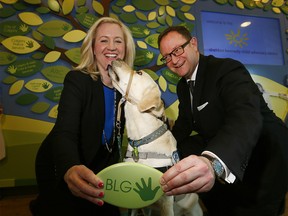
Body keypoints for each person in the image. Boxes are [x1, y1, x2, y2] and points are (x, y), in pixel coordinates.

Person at [158, 26, 288, 216]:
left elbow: (244, 116)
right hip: (231, 163)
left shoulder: (226, 69)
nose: (174, 60)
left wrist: (212, 162)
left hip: (265, 157)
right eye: (167, 57)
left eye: (177, 50)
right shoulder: (183, 87)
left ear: (193, 44)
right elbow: (184, 126)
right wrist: (160, 148)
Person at [30, 17, 135, 216]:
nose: (111, 46)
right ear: (93, 48)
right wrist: (69, 168)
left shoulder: (126, 88)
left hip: (100, 166)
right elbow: (65, 133)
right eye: (104, 40)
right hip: (59, 164)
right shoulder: (77, 80)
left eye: (118, 41)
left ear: (126, 49)